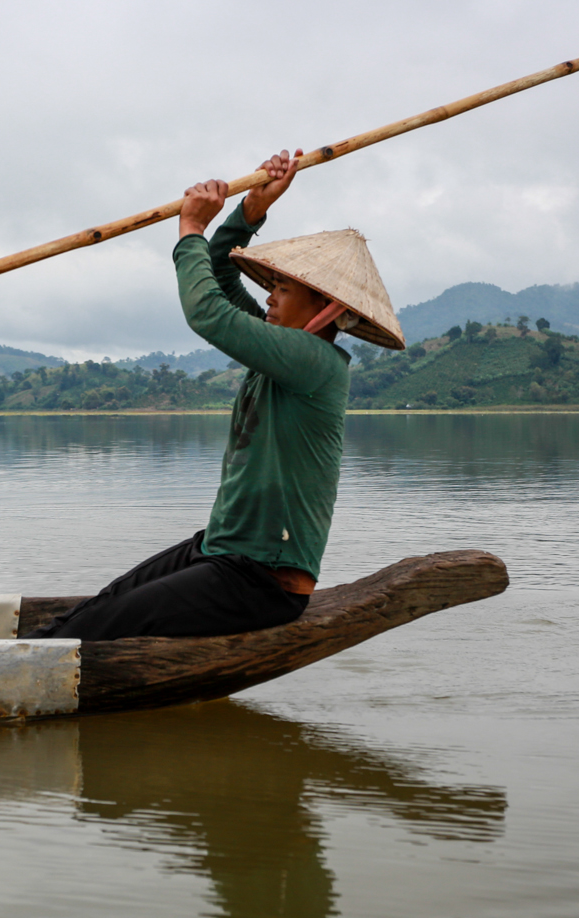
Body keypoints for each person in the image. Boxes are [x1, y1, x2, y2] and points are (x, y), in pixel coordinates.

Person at [26, 150, 405, 640]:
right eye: (272, 286)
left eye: (283, 289)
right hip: (222, 550)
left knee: (100, 629)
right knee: (103, 606)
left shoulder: (313, 363)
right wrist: (248, 213)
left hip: (263, 577)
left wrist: (191, 230)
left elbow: (208, 311)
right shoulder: (278, 353)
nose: (269, 296)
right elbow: (224, 279)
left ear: (326, 311)